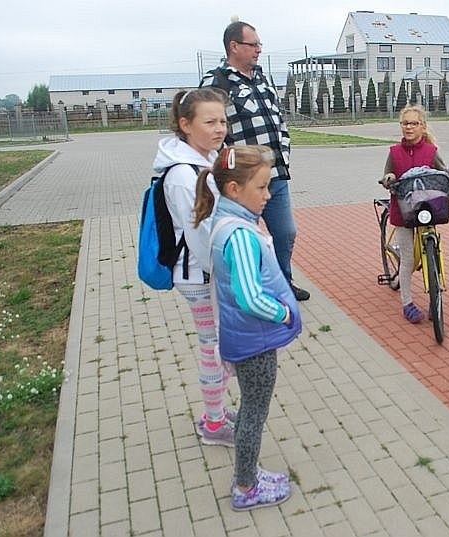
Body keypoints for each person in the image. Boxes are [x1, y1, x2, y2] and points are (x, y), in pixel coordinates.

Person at [194, 145, 301, 510]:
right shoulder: (239, 234)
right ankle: (246, 486)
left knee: (249, 408)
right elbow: (249, 297)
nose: (269, 195)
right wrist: (284, 314)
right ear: (234, 190)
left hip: (245, 337)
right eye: (262, 187)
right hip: (254, 342)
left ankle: (249, 471)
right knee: (254, 413)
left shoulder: (228, 221)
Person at [200, 18, 310, 302]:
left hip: (275, 178)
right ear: (234, 46)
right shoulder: (216, 82)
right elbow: (209, 132)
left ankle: (282, 284)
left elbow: (278, 119)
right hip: (241, 183)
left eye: (260, 44)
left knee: (285, 234)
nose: (259, 49)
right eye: (254, 44)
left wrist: (283, 151)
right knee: (243, 240)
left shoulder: (262, 77)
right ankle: (245, 290)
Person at [152, 87, 238, 446]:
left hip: (207, 271)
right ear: (185, 124)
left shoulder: (207, 158)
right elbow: (200, 233)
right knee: (214, 347)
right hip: (201, 274)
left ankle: (213, 411)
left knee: (218, 346)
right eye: (210, 121)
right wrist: (230, 275)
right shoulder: (184, 175)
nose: (220, 128)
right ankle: (214, 425)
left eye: (222, 120)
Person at [381, 104, 449, 323]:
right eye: (405, 123)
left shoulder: (431, 152)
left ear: (423, 126)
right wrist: (389, 178)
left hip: (428, 209)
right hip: (403, 212)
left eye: (414, 123)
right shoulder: (394, 152)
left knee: (435, 253)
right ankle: (407, 302)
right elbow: (387, 174)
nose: (409, 127)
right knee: (408, 259)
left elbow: (443, 173)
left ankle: (435, 299)